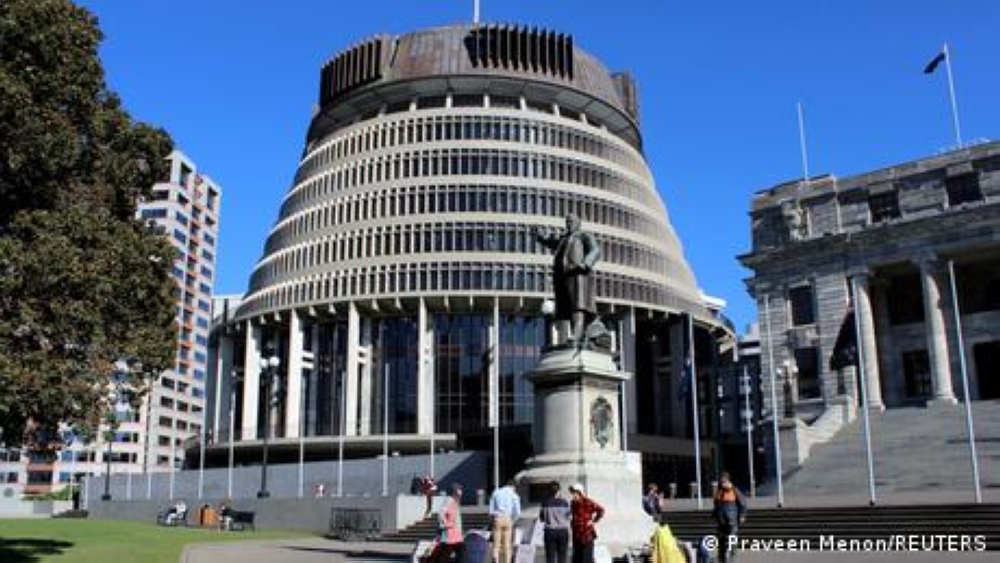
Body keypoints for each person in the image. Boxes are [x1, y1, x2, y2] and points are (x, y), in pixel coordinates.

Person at [534, 215, 601, 345]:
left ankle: (577, 334)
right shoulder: (563, 239)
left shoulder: (584, 235)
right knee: (568, 307)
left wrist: (586, 263)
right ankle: (577, 334)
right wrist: (541, 238)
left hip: (578, 274)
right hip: (563, 276)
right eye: (567, 222)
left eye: (571, 221)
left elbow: (596, 250)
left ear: (578, 223)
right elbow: (551, 242)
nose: (569, 224)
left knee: (578, 305)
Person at [711, 472, 747, 563]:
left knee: (732, 538)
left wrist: (742, 515)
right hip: (721, 520)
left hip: (732, 520)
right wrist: (714, 514)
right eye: (721, 479)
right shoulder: (719, 491)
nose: (722, 481)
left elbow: (742, 503)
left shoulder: (734, 490)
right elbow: (716, 505)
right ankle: (721, 558)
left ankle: (732, 557)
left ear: (728, 480)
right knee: (721, 539)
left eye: (724, 479)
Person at [568, 483, 604, 563]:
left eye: (574, 493)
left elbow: (601, 510)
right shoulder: (573, 503)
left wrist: (593, 521)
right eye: (572, 493)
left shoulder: (588, 502)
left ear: (579, 493)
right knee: (577, 559)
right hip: (576, 535)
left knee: (586, 559)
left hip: (586, 535)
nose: (573, 495)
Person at [488, 478, 522, 563]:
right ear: (513, 486)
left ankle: (495, 560)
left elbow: (491, 510)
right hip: (508, 518)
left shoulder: (496, 492)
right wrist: (513, 520)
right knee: (507, 544)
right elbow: (518, 512)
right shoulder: (514, 495)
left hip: (498, 518)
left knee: (496, 544)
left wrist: (492, 520)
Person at [539, 481, 570, 563]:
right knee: (562, 555)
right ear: (559, 490)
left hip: (550, 531)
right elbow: (568, 517)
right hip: (563, 531)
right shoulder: (565, 502)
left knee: (550, 556)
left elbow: (542, 518)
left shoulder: (545, 502)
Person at [434, 483, 464, 562]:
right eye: (460, 490)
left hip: (456, 535)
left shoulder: (455, 501)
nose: (461, 492)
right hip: (449, 535)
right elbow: (440, 513)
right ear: (455, 491)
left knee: (460, 554)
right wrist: (446, 524)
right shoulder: (449, 500)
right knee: (446, 555)